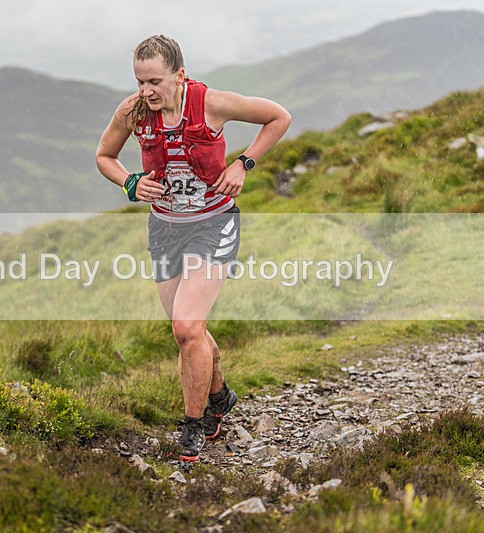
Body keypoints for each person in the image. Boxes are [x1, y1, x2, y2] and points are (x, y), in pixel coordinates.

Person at [96, 35, 291, 462]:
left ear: (179, 76)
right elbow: (105, 156)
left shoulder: (211, 103)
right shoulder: (131, 111)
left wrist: (244, 163)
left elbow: (278, 117)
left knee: (186, 328)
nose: (146, 91)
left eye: (155, 81)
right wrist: (130, 182)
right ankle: (220, 397)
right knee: (189, 331)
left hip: (213, 224)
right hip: (165, 228)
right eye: (139, 81)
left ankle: (194, 424)